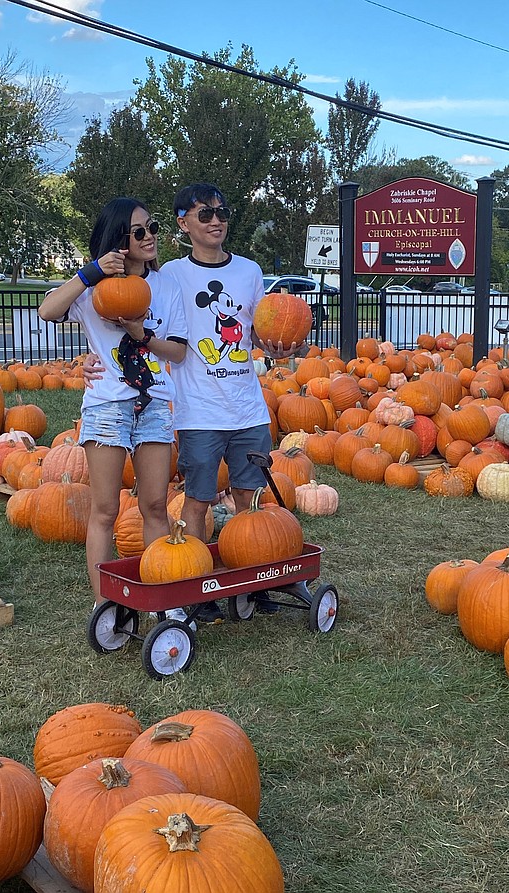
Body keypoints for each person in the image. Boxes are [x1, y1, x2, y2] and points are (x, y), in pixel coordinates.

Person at [84, 183, 305, 624]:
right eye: (204, 214)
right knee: (197, 501)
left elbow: (261, 327)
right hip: (196, 408)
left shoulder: (249, 270)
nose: (216, 220)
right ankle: (196, 586)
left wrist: (278, 347)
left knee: (251, 496)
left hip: (247, 407)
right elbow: (121, 308)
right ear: (184, 223)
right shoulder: (169, 276)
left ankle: (253, 581)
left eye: (223, 212)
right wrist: (93, 357)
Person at [39, 197, 189, 621]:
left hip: (155, 403)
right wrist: (90, 273)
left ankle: (165, 601)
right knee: (104, 510)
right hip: (107, 404)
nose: (151, 237)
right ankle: (106, 604)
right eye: (139, 231)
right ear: (119, 239)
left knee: (156, 506)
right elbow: (48, 309)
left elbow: (177, 352)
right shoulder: (92, 288)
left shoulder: (165, 287)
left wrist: (140, 334)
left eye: (153, 227)